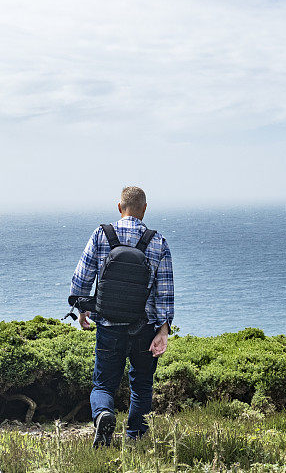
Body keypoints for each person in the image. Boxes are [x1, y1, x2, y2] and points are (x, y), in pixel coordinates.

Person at [69, 186, 174, 447]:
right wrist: (163, 331)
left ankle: (104, 415)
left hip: (108, 325)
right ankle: (136, 438)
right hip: (144, 328)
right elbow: (165, 291)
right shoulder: (158, 241)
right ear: (144, 209)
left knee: (103, 385)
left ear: (119, 207)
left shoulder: (101, 235)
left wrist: (82, 310)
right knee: (141, 385)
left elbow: (82, 278)